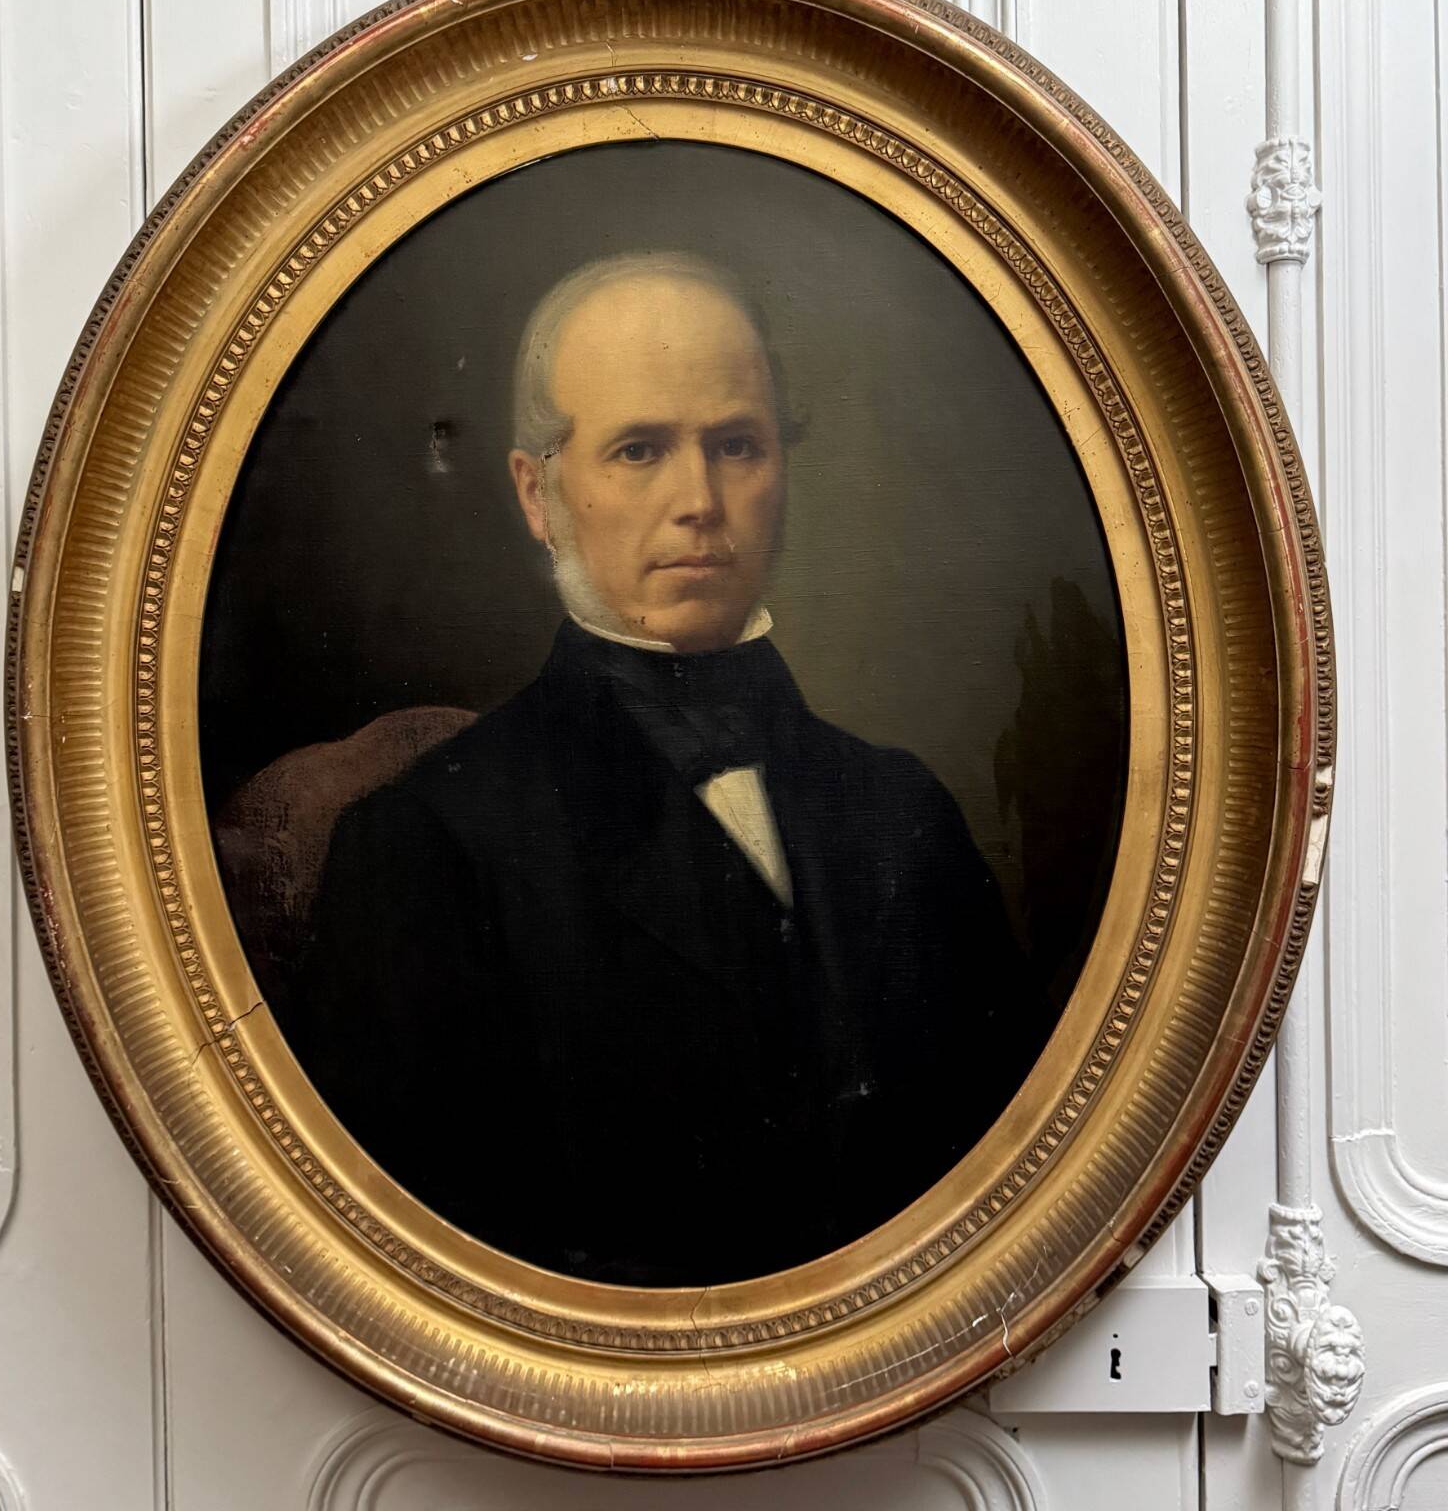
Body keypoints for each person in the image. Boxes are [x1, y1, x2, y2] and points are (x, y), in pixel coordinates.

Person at [276, 252, 1050, 1288]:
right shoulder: (427, 843)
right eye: (638, 450)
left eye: (735, 445)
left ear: (783, 466)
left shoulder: (902, 808)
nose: (699, 499)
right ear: (537, 491)